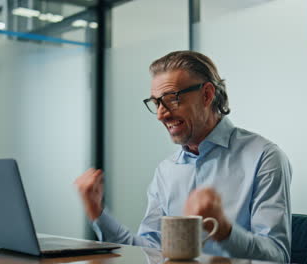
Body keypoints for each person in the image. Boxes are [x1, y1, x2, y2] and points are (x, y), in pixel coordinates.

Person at [74, 50, 292, 262]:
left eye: (171, 98)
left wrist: (223, 229)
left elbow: (277, 255)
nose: (161, 114)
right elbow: (150, 251)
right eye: (157, 102)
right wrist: (98, 213)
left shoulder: (264, 157)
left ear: (207, 95)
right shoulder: (167, 170)